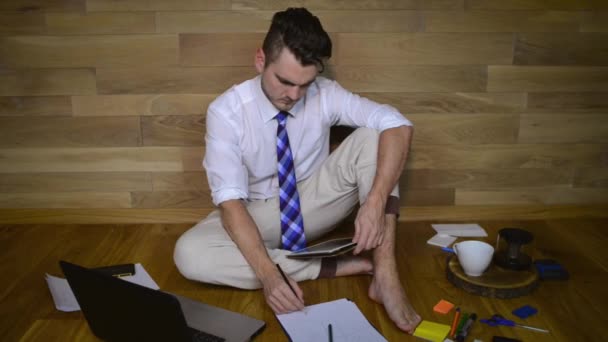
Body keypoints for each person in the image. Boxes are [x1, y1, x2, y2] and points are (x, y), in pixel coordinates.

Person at [174, 7, 421, 333]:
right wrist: (269, 277)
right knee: (189, 254)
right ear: (260, 60)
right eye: (285, 81)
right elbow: (231, 204)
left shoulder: (324, 93)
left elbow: (399, 125)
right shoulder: (226, 112)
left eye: (304, 84)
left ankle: (386, 275)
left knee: (375, 135)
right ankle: (330, 265)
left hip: (314, 202)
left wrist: (374, 202)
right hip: (257, 215)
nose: (293, 95)